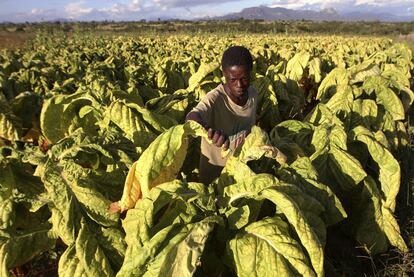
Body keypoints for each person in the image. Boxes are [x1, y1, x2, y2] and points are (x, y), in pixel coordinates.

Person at [185, 46, 258, 184]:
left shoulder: (253, 94)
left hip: (242, 171)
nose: (239, 85)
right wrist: (209, 130)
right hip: (214, 176)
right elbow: (192, 116)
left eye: (244, 78)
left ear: (251, 73)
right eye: (233, 79)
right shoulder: (215, 98)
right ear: (224, 74)